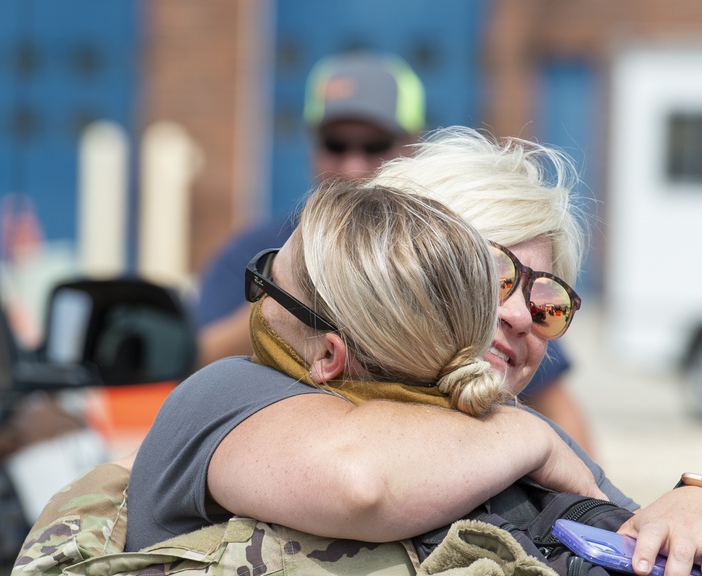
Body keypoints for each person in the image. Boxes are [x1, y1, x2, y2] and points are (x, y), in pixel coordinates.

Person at [6, 129, 702, 576]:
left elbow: (624, 557)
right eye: (496, 274)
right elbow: (360, 480)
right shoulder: (244, 393)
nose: (522, 314)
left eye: (550, 302)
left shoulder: (497, 438)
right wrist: (540, 441)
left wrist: (701, 498)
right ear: (396, 263)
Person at [194, 50, 596, 453]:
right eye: (336, 144)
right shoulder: (260, 247)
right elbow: (201, 365)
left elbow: (558, 406)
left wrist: (584, 496)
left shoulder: (462, 253)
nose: (353, 166)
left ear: (413, 146)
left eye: (376, 145)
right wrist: (292, 297)